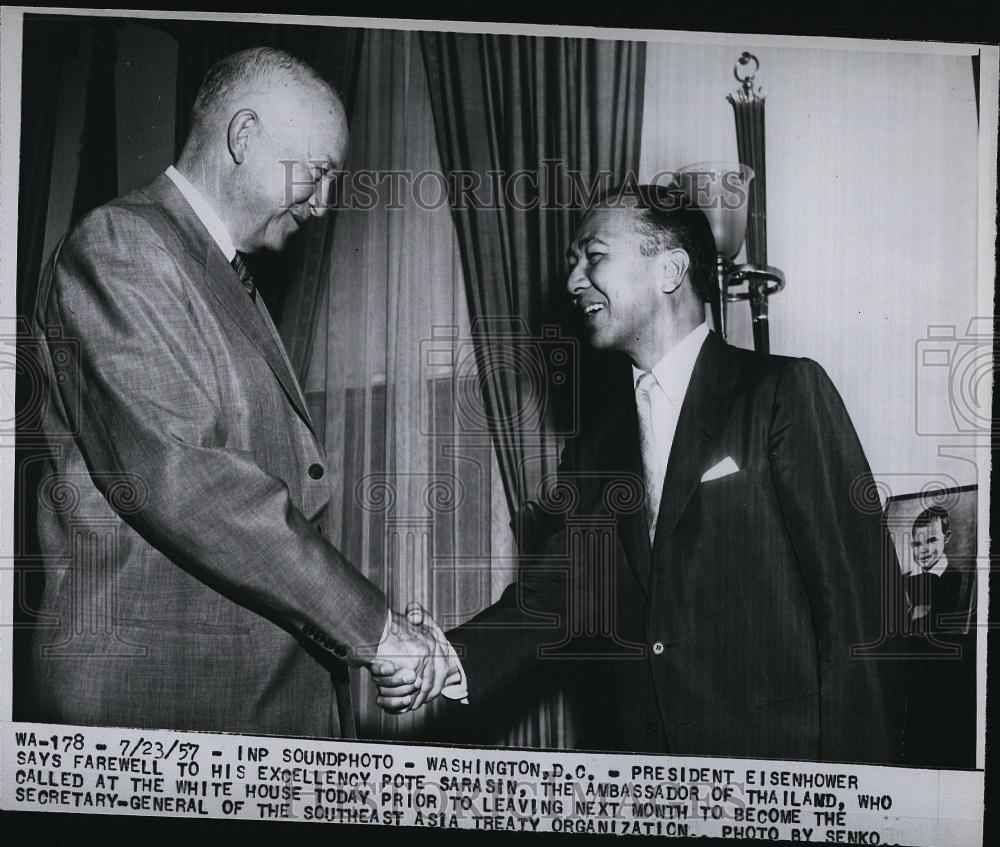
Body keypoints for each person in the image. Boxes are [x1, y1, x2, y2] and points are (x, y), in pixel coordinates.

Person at [374, 183, 902, 764]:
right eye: (572, 264)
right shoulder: (594, 448)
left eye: (593, 257)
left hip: (784, 774)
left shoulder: (782, 394)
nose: (573, 282)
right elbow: (559, 595)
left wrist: (868, 796)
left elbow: (859, 605)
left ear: (670, 270)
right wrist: (447, 655)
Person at [26, 47, 450, 736]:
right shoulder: (123, 245)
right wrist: (377, 629)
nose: (323, 205)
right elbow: (189, 478)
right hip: (155, 710)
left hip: (238, 706)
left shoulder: (221, 274)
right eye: (316, 174)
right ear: (244, 136)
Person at [903, 505, 976, 768]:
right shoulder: (905, 578)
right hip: (909, 654)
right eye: (916, 543)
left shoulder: (950, 576)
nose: (923, 549)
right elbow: (905, 617)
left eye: (931, 540)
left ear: (947, 538)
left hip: (938, 658)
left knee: (932, 718)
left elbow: (927, 615)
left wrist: (915, 611)